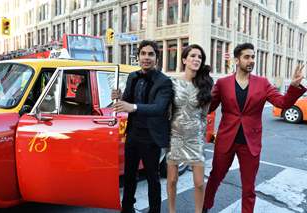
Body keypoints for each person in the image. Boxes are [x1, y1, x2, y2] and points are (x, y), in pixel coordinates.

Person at [203, 43, 306, 213]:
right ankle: (205, 206)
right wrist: (200, 90)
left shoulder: (263, 83)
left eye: (253, 57)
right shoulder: (222, 83)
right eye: (246, 57)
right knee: (215, 177)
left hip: (250, 143)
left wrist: (294, 87)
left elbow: (283, 103)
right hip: (226, 140)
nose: (251, 60)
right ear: (237, 60)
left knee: (249, 188)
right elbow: (208, 108)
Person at [112, 40, 173, 213]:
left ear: (156, 58)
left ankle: (154, 211)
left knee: (153, 178)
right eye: (143, 54)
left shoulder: (164, 82)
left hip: (151, 137)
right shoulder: (133, 76)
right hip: (133, 134)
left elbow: (159, 108)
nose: (146, 57)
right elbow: (128, 100)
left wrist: (133, 107)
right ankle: (127, 207)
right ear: (138, 56)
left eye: (150, 54)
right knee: (130, 175)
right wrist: (119, 97)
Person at [166, 44, 213, 213]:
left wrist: (200, 133)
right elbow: (167, 110)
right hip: (175, 136)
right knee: (172, 180)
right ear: (184, 60)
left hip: (195, 137)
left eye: (199, 57)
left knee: (199, 183)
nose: (196, 59)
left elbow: (204, 114)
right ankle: (172, 211)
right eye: (193, 56)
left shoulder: (205, 85)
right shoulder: (172, 83)